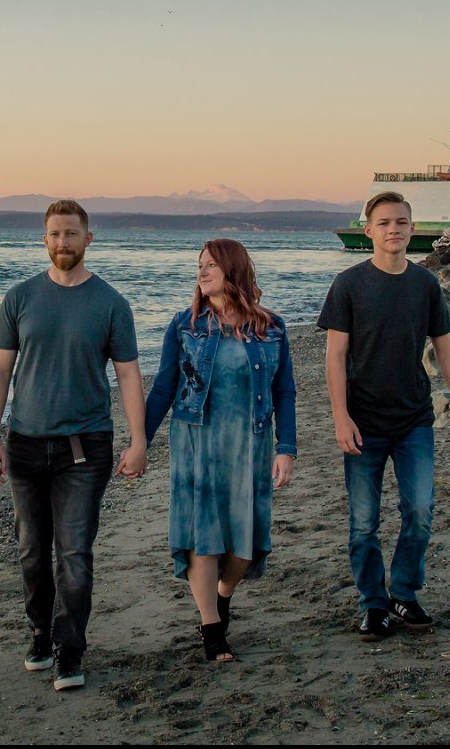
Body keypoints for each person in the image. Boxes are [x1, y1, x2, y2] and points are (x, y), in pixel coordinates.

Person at [0, 199, 147, 692]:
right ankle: (41, 634)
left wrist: (139, 440)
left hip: (85, 447)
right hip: (26, 446)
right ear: (44, 239)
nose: (63, 243)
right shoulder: (19, 298)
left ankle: (70, 650)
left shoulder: (112, 304)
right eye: (54, 234)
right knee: (32, 551)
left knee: (73, 553)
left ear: (88, 238)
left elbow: (129, 376)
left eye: (71, 234)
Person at [317, 191, 450, 640]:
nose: (394, 229)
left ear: (412, 229)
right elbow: (335, 356)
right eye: (384, 222)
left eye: (401, 222)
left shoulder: (424, 285)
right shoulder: (348, 284)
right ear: (368, 230)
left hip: (413, 421)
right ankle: (373, 604)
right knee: (364, 522)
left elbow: (445, 349)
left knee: (420, 511)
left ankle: (404, 592)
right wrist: (340, 417)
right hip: (363, 421)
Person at [143, 239, 297, 662]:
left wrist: (287, 449)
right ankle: (212, 628)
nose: (203, 272)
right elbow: (162, 389)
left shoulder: (272, 327)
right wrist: (141, 441)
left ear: (233, 269)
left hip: (251, 443)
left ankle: (223, 595)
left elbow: (285, 393)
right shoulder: (184, 325)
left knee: (243, 550)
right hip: (197, 441)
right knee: (204, 540)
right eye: (200, 265)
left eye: (212, 264)